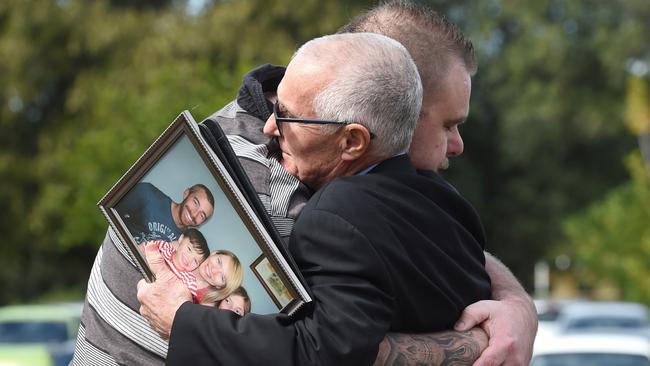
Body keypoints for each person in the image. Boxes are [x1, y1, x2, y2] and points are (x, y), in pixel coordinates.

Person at [72, 2, 536, 365]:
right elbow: (327, 351)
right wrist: (482, 340)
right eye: (448, 124)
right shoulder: (268, 190)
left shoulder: (337, 162)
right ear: (391, 104)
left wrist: (516, 304)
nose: (456, 146)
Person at [116, 182, 215, 243]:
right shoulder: (147, 193)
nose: (194, 214)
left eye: (202, 215)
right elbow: (111, 210)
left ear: (202, 223)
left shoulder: (185, 244)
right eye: (195, 202)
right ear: (186, 193)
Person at [139, 227, 210, 299]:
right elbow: (141, 249)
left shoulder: (189, 281)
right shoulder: (164, 247)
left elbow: (182, 301)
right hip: (140, 273)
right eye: (189, 249)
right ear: (181, 239)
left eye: (195, 261)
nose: (189, 258)